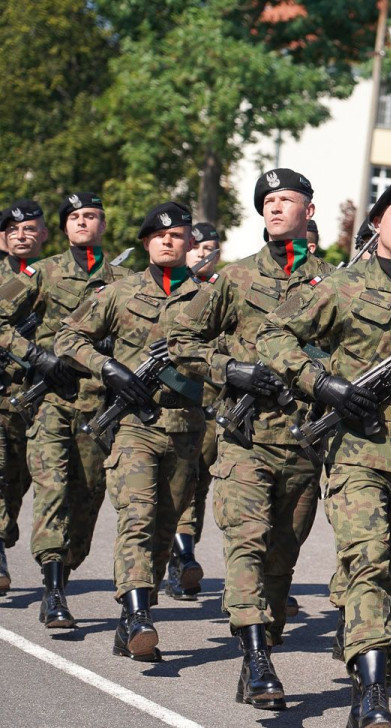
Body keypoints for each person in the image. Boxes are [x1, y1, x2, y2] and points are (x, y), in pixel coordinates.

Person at [259, 177, 391, 727]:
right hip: (358, 448)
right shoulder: (341, 286)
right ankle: (370, 696)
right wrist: (321, 384)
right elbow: (275, 335)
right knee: (366, 562)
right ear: (376, 223)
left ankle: (374, 661)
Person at [168, 169, 333, 707]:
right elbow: (180, 341)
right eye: (268, 201)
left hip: (304, 441)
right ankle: (257, 661)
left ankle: (265, 636)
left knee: (282, 558)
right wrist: (230, 370)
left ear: (310, 212)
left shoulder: (336, 282)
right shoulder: (234, 279)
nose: (276, 207)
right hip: (245, 437)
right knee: (247, 542)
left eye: (288, 200)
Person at [56, 202, 206, 662]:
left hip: (185, 430)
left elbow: (237, 347)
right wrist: (109, 369)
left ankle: (128, 623)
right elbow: (67, 337)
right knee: (137, 518)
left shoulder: (213, 297)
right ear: (145, 243)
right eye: (158, 236)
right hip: (133, 427)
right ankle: (141, 615)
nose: (167, 241)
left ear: (188, 245)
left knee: (164, 529)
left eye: (177, 236)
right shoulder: (119, 293)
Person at [0, 194, 130, 621]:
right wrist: (37, 358)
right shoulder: (43, 273)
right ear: (63, 227)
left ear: (103, 225)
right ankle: (53, 592)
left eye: (90, 216)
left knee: (87, 497)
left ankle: (64, 568)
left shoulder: (124, 280)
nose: (82, 223)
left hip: (99, 407)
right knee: (52, 489)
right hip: (50, 402)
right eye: (74, 217)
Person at [163, 221, 222, 601]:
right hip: (173, 408)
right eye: (198, 247)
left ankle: (183, 555)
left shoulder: (220, 292)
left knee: (198, 488)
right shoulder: (174, 293)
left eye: (210, 248)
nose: (204, 253)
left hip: (212, 406)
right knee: (178, 490)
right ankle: (181, 557)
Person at [0, 200, 50, 597]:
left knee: (19, 478)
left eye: (30, 229)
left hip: (35, 393)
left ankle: (4, 533)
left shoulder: (50, 276)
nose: (21, 235)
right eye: (14, 230)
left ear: (43, 235)